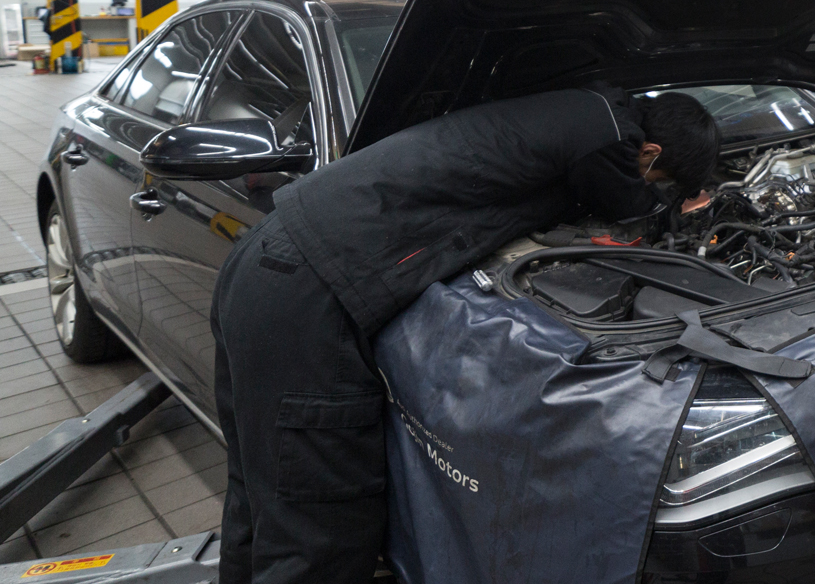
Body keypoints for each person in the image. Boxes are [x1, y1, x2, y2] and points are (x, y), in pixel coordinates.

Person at [209, 83, 719, 584]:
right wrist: (671, 212)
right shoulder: (608, 135)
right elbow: (629, 206)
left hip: (270, 257)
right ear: (650, 153)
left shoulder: (582, 106)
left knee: (258, 500)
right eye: (663, 179)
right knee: (321, 532)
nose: (657, 186)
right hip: (314, 289)